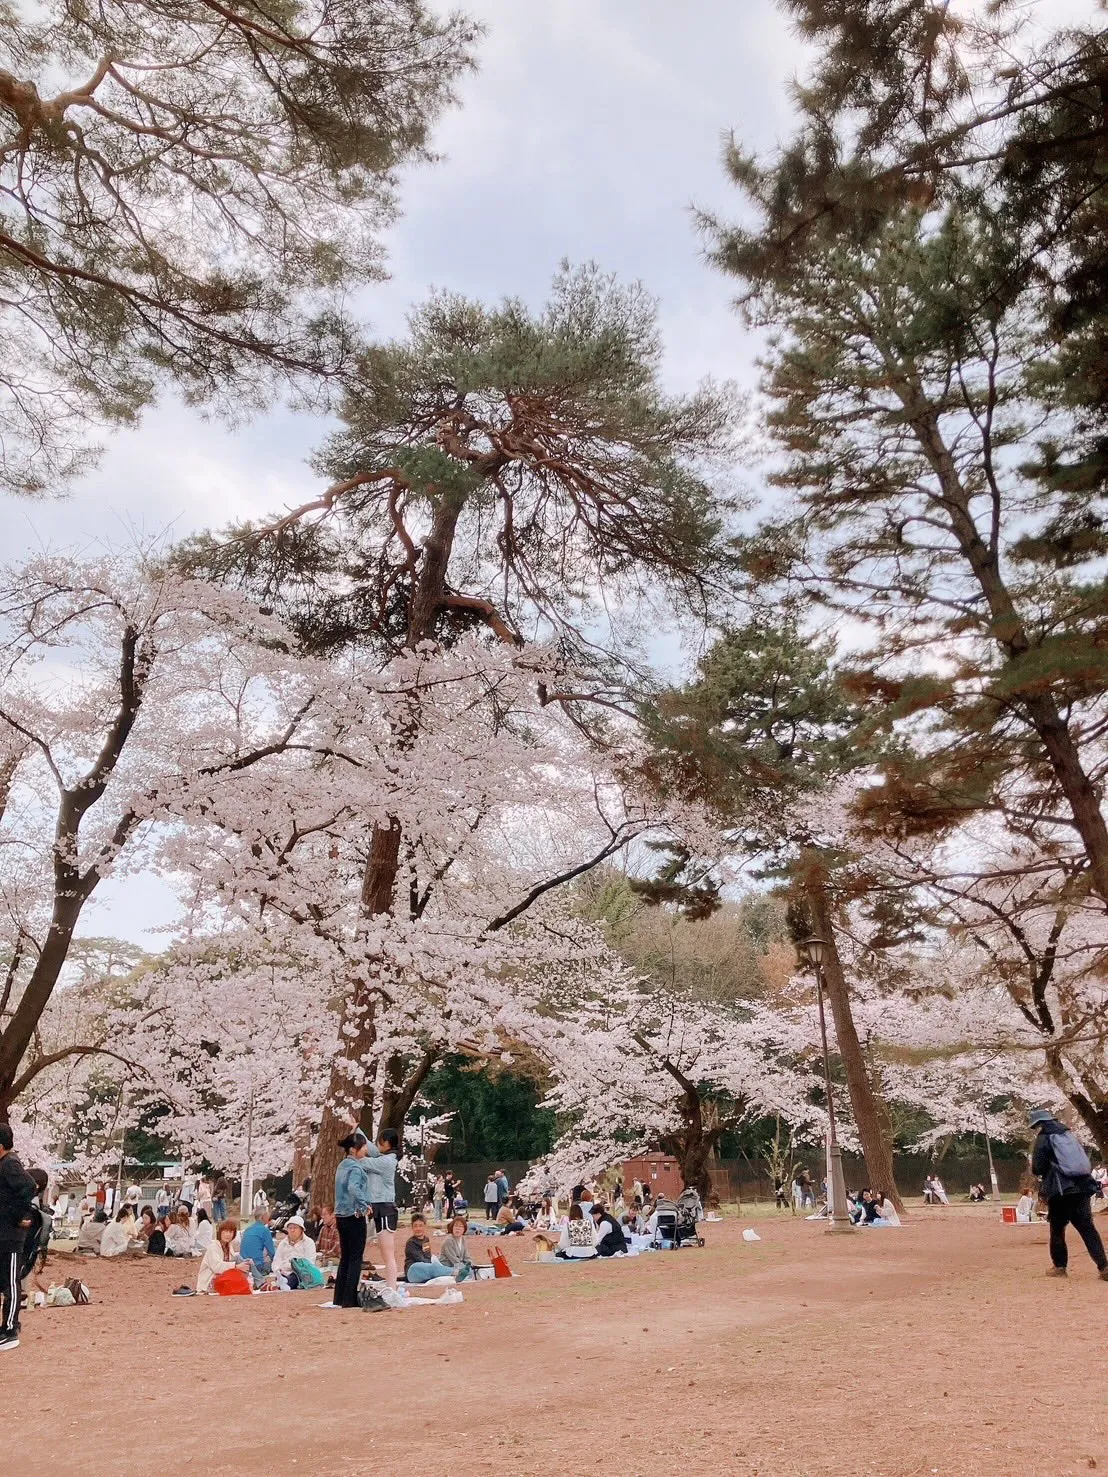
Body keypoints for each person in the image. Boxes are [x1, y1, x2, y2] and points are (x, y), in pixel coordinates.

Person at [1029, 1108, 1108, 1279]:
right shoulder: (1067, 1135)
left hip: (1061, 1190)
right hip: (1082, 1187)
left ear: (1038, 1124)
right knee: (1088, 1229)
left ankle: (1059, 1267)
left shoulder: (1044, 1138)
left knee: (1057, 1228)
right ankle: (1104, 1267)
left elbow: (1038, 1168)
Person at [0, 1125, 35, 1351]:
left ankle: (11, 1329)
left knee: (11, 1282)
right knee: (4, 1282)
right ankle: (6, 1326)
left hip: (11, 1236)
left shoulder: (10, 1164)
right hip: (3, 1234)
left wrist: (19, 1216)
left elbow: (29, 1186)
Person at [334, 1129, 372, 1309]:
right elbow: (354, 1188)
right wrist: (364, 1205)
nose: (365, 1149)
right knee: (356, 1257)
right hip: (354, 1215)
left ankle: (339, 1297)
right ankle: (350, 1298)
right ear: (353, 1149)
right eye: (362, 1146)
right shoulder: (356, 1168)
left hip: (340, 1215)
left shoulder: (342, 1166)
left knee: (345, 1257)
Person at [365, 1127, 401, 1290]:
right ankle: (390, 1287)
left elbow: (366, 1160)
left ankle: (392, 1288)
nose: (377, 1144)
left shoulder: (386, 1161)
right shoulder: (384, 1157)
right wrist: (355, 1129)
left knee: (388, 1254)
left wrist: (354, 1156)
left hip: (385, 1208)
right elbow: (372, 1151)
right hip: (380, 1207)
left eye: (380, 1141)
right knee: (385, 1253)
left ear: (386, 1143)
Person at [403, 1212, 455, 1284]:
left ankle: (454, 1271)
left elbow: (427, 1256)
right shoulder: (411, 1243)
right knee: (428, 1267)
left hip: (425, 1269)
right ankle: (455, 1272)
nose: (418, 1229)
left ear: (425, 1226)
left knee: (436, 1266)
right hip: (413, 1270)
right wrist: (433, 1265)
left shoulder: (426, 1240)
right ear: (412, 1227)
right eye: (415, 1226)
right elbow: (420, 1259)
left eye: (420, 1226)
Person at [197, 1219, 239, 1294]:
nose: (228, 1235)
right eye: (226, 1231)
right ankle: (260, 1283)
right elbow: (217, 1267)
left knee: (244, 1260)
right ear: (220, 1233)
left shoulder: (229, 1246)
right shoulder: (213, 1247)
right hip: (210, 1282)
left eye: (231, 1232)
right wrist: (236, 1266)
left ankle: (259, 1282)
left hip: (223, 1277)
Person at [272, 1215, 317, 1283]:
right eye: (290, 1228)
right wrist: (278, 1270)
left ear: (301, 1229)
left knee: (294, 1278)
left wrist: (294, 1267)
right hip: (283, 1273)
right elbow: (276, 1261)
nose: (292, 1230)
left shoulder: (309, 1243)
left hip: (300, 1274)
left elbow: (310, 1262)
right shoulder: (283, 1243)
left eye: (295, 1228)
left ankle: (284, 1283)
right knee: (279, 1278)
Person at [238, 1208, 276, 1277]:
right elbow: (272, 1253)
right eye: (267, 1215)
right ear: (262, 1217)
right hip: (257, 1266)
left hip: (243, 1264)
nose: (269, 1217)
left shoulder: (248, 1230)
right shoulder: (264, 1230)